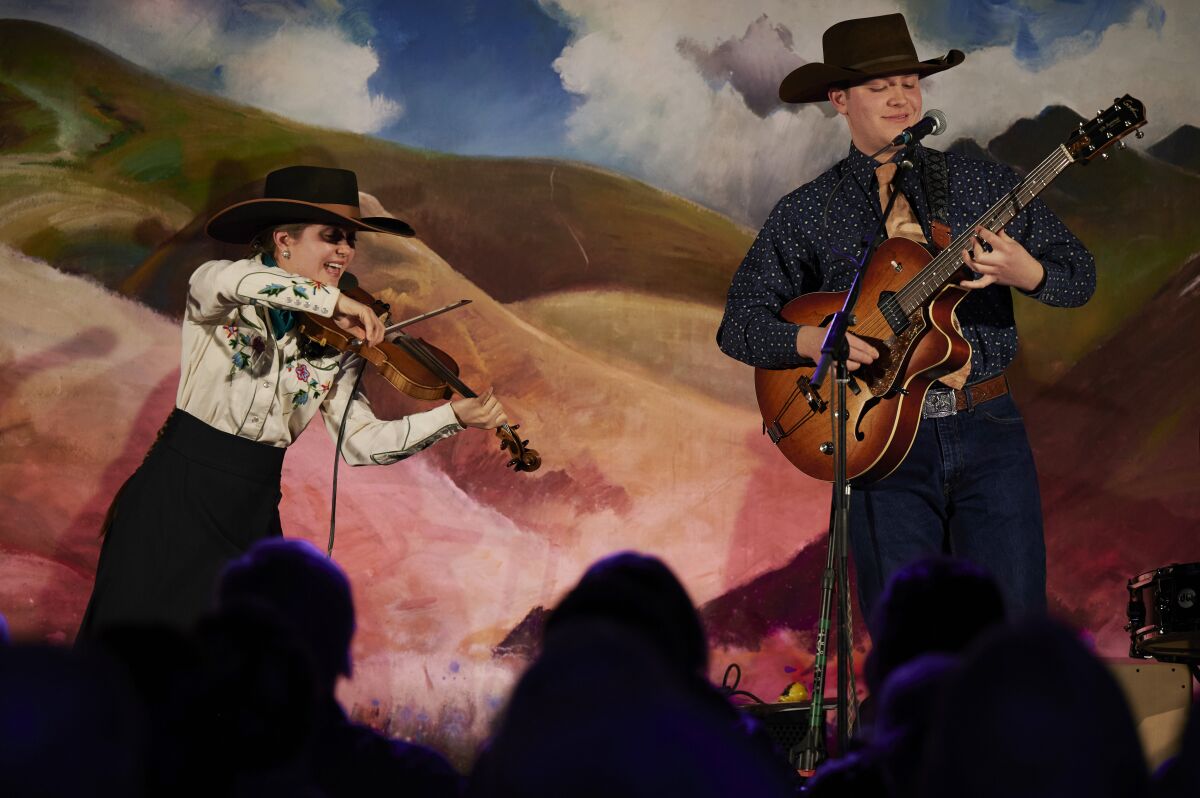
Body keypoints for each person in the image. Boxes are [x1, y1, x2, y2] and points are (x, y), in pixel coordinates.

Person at [716, 14, 1096, 626]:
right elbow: (738, 324)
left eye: (909, 83)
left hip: (987, 427)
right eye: (879, 87)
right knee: (907, 642)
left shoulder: (979, 184)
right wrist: (814, 339)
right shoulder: (810, 211)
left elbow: (1080, 277)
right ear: (839, 100)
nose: (901, 98)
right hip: (880, 441)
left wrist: (1026, 273)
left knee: (1014, 634)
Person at [79, 165, 509, 638]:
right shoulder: (222, 289)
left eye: (351, 240)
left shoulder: (336, 341)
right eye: (332, 237)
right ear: (284, 240)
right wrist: (329, 301)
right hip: (178, 494)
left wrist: (452, 415)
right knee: (133, 663)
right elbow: (233, 280)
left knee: (235, 676)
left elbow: (360, 443)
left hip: (252, 504)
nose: (346, 251)